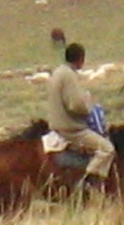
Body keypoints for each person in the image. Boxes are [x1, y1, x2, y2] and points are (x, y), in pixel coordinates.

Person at [47, 42, 115, 195]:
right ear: (80, 59)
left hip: (57, 125)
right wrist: (89, 105)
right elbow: (76, 105)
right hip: (72, 129)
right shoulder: (69, 75)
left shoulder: (57, 72)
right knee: (107, 148)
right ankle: (88, 181)